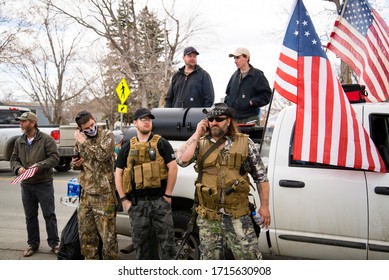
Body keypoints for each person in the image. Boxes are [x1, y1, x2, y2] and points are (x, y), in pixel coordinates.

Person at [176, 103, 270, 260]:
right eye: (211, 119)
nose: (214, 122)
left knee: (249, 260)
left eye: (219, 119)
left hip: (238, 216)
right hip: (209, 218)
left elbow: (261, 177)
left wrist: (265, 207)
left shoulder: (245, 144)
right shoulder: (200, 143)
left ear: (229, 121)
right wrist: (198, 132)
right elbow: (181, 160)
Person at [115, 108, 178, 260]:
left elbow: (173, 168)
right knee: (140, 247)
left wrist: (168, 195)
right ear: (135, 123)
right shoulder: (127, 147)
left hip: (159, 202)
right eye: (143, 119)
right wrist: (124, 200)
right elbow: (118, 173)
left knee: (168, 245)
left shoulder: (162, 143)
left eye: (149, 119)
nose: (147, 121)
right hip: (137, 204)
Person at [10, 111, 60, 257]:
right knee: (30, 216)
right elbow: (14, 159)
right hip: (26, 184)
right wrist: (18, 168)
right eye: (20, 121)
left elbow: (54, 158)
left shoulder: (46, 139)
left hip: (43, 183)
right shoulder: (19, 141)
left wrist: (39, 166)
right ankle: (33, 244)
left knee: (49, 214)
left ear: (32, 123)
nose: (21, 123)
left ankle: (54, 244)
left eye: (24, 121)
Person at [72, 110, 119, 260]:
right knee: (86, 236)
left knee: (108, 239)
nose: (90, 128)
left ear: (94, 120)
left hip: (104, 195)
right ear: (80, 128)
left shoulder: (107, 136)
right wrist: (76, 164)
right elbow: (78, 162)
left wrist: (84, 142)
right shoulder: (79, 140)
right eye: (86, 127)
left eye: (92, 124)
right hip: (86, 194)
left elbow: (102, 155)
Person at [225, 47, 272, 125]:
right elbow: (227, 95)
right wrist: (228, 105)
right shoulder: (234, 76)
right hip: (234, 120)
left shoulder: (258, 75)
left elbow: (267, 95)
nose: (235, 61)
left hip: (250, 119)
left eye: (237, 57)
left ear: (246, 57)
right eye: (234, 58)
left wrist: (252, 102)